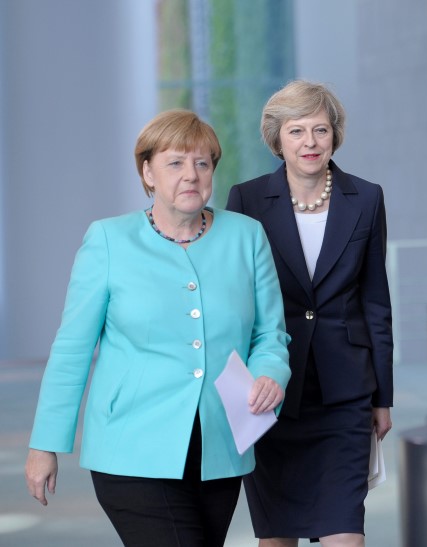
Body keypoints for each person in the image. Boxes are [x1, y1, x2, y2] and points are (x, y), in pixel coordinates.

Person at [25, 109, 292, 547]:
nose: (191, 174)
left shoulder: (247, 237)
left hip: (220, 449)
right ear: (147, 173)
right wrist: (44, 443)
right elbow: (72, 348)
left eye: (202, 163)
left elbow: (270, 335)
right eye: (175, 162)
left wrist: (270, 373)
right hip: (130, 448)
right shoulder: (108, 240)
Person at [226, 80, 393, 547]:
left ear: (335, 135)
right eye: (297, 131)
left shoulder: (367, 198)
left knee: (346, 534)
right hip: (272, 392)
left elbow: (376, 301)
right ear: (277, 139)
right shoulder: (247, 200)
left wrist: (383, 396)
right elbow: (237, 302)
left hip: (347, 392)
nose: (310, 142)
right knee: (277, 539)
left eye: (320, 130)